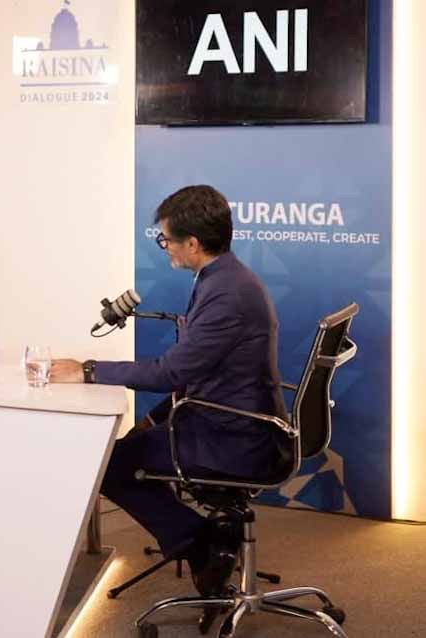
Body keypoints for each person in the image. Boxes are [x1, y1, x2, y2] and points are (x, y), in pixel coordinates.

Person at [50, 185, 287, 596]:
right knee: (131, 448)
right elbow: (196, 373)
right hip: (227, 417)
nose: (164, 248)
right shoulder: (224, 278)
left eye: (166, 240)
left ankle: (200, 543)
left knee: (109, 465)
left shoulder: (225, 294)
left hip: (233, 437)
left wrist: (86, 371)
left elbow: (172, 372)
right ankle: (205, 537)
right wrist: (152, 418)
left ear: (192, 243)